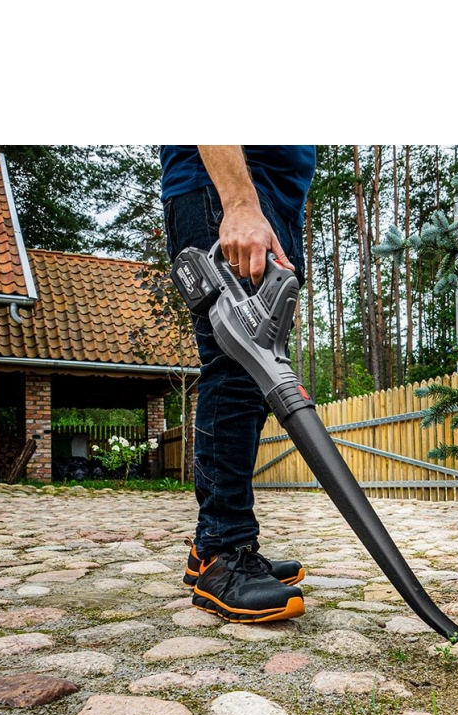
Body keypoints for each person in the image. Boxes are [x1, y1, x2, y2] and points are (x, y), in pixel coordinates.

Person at [160, 146, 316, 624]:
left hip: (269, 200)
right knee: (237, 365)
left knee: (252, 380)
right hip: (229, 190)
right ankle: (223, 550)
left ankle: (214, 542)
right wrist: (240, 203)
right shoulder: (237, 198)